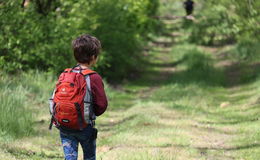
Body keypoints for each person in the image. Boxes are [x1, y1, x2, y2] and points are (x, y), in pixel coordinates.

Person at [52, 34, 108, 160]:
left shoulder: (65, 74)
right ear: (94, 57)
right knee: (89, 157)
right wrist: (90, 112)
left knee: (70, 157)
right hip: (85, 126)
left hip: (64, 126)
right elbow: (102, 105)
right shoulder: (93, 77)